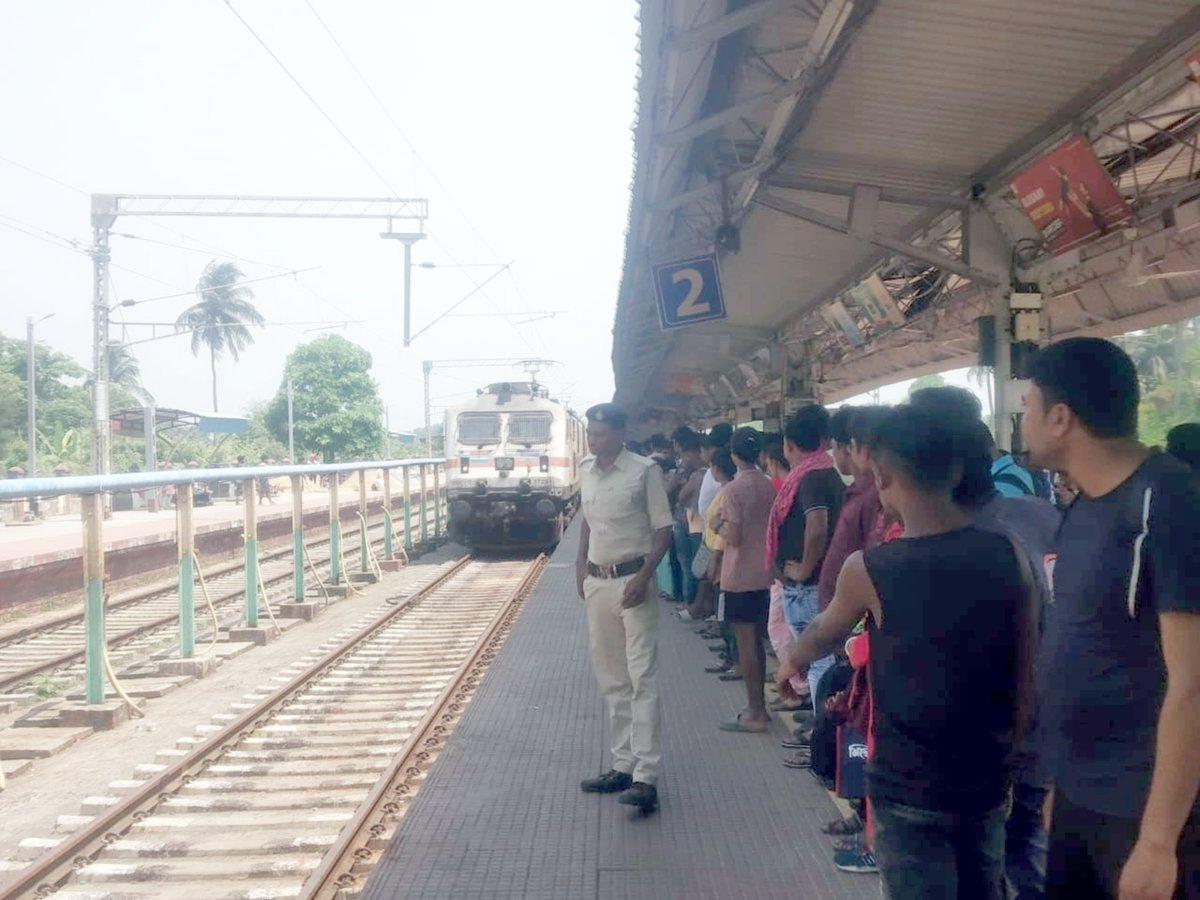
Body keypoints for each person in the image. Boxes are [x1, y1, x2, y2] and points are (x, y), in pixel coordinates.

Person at [776, 404, 1035, 900]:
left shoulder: (871, 567)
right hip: (985, 777)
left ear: (883, 477)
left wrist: (791, 660)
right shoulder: (1010, 555)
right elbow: (1024, 669)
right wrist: (1010, 759)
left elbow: (826, 631)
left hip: (907, 783)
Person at [1020, 338, 1200, 899]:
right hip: (1083, 795)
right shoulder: (1085, 506)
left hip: (1143, 810)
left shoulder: (1167, 502)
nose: (1020, 420)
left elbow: (1194, 684)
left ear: (1059, 417)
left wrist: (1157, 843)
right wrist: (1062, 785)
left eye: (1026, 405)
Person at [576, 403, 674, 815]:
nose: (592, 440)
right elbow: (586, 519)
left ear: (620, 433)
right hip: (598, 583)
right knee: (612, 678)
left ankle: (646, 777)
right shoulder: (585, 469)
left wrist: (644, 576)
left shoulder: (643, 471)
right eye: (589, 433)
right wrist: (580, 566)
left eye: (599, 433)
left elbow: (663, 530)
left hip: (633, 584)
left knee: (641, 677)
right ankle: (622, 764)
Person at [767, 404, 844, 703]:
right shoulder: (826, 472)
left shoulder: (810, 478)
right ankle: (820, 728)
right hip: (816, 583)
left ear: (788, 444)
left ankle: (820, 734)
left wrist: (804, 568)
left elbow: (817, 527)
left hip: (808, 586)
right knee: (819, 661)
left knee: (818, 662)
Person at [709, 427, 777, 733]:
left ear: (734, 456)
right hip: (766, 574)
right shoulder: (769, 485)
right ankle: (760, 706)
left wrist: (716, 525)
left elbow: (733, 536)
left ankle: (755, 712)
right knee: (759, 643)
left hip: (739, 576)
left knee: (746, 643)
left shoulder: (734, 490)